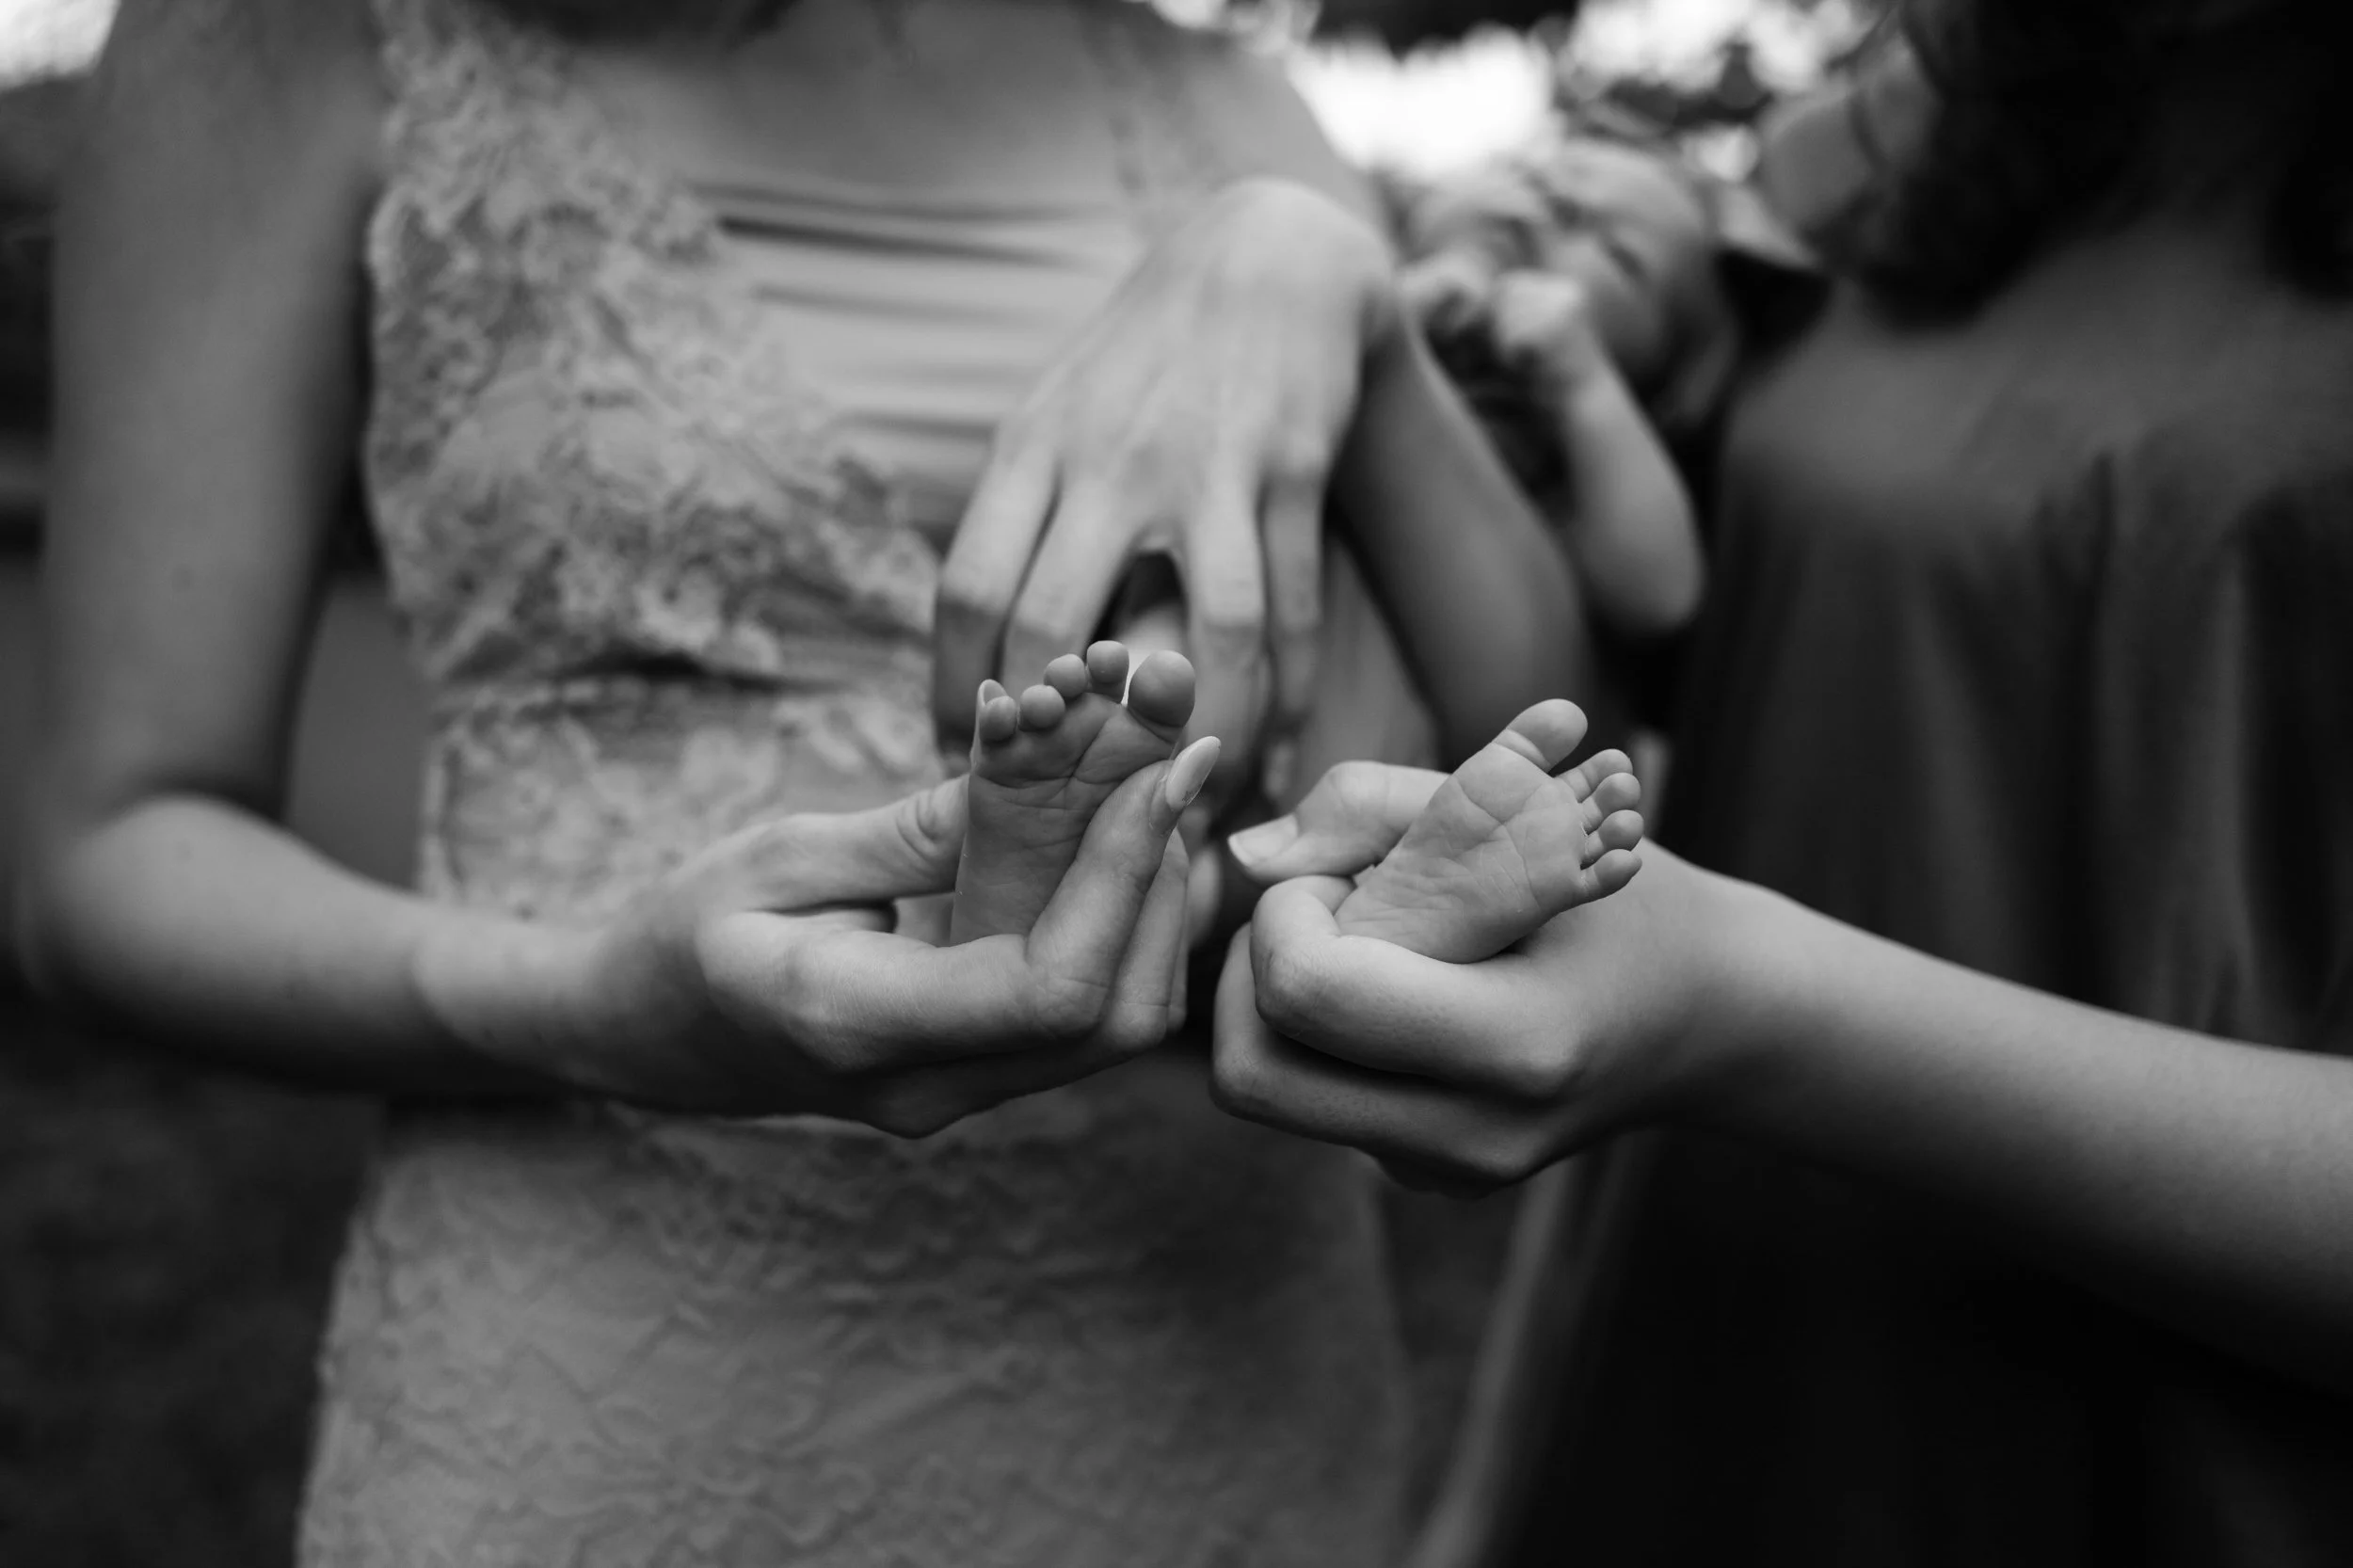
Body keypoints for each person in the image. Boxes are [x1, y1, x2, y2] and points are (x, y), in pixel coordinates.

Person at [17, 0, 1590, 1560]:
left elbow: (1528, 730)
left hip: (1220, 1355)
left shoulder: (1239, 106)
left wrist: (1347, 309)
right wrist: (589, 1006)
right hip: (631, 1356)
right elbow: (111, 856)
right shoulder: (292, 40)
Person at [1211, 0, 2353, 1562]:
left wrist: (1746, 1004)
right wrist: (1326, 289)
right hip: (1704, 1344)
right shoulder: (1911, 129)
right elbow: (1642, 639)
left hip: (2161, 1463)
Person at [1397, 136, 1734, 640]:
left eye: (1620, 254)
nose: (1557, 210)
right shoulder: (1376, 266)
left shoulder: (1566, 446)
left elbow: (1660, 596)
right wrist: (1392, 311)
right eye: (1539, 180)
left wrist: (1587, 386)